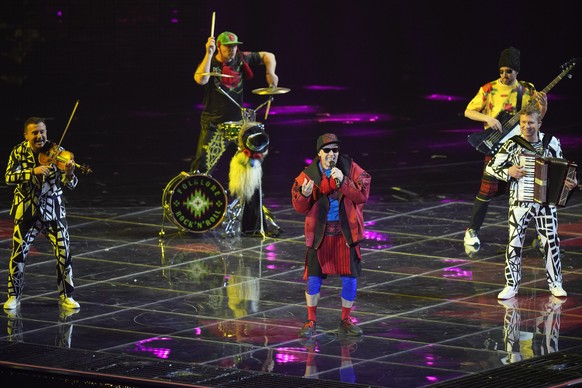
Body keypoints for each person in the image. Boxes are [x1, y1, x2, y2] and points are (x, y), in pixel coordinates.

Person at [485, 105, 577, 299]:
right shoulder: (512, 144)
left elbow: (562, 166)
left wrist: (569, 181)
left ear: (539, 124)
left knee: (551, 243)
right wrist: (508, 172)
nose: (526, 127)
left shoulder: (552, 142)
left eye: (530, 123)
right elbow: (491, 168)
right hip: (519, 201)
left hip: (546, 203)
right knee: (514, 243)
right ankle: (511, 284)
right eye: (523, 123)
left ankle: (556, 283)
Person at [464, 46, 548, 247]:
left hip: (521, 147)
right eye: (501, 71)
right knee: (486, 190)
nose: (504, 75)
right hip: (496, 147)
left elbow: (537, 118)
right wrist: (487, 117)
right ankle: (472, 231)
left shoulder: (527, 90)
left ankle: (540, 234)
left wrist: (544, 106)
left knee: (530, 192)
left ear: (517, 71)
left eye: (508, 71)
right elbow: (468, 111)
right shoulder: (489, 89)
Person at [291, 133, 371, 338]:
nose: (331, 154)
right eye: (327, 150)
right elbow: (299, 207)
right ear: (319, 153)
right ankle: (311, 321)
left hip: (345, 232)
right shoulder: (308, 175)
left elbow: (362, 195)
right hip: (320, 234)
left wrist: (344, 181)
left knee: (350, 278)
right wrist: (305, 195)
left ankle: (345, 320)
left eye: (335, 150)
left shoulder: (350, 168)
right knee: (313, 279)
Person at [3, 117, 80, 311]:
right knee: (18, 255)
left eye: (42, 132)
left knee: (64, 254)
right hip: (27, 211)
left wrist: (70, 174)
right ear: (26, 135)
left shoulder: (59, 153)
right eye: (35, 133)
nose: (39, 136)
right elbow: (9, 177)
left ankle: (66, 296)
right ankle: (14, 296)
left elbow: (71, 184)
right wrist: (32, 171)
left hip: (54, 211)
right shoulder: (18, 152)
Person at [191, 31, 278, 175]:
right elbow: (201, 80)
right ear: (219, 46)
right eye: (228, 47)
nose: (232, 50)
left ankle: (249, 195)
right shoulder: (211, 62)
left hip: (237, 123)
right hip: (214, 124)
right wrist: (208, 53)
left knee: (251, 161)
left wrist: (271, 73)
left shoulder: (240, 57)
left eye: (234, 47)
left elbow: (269, 56)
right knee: (202, 169)